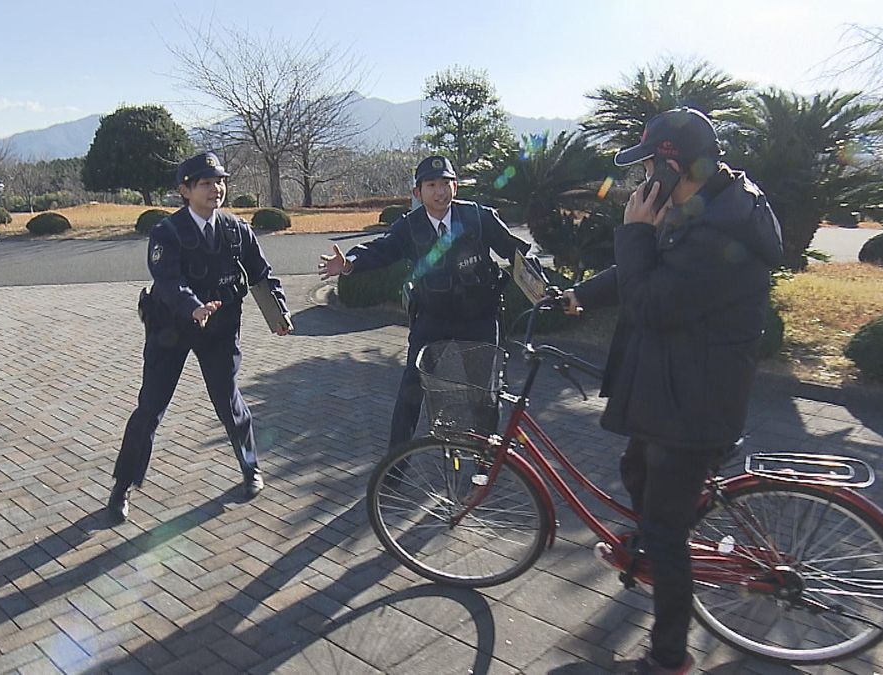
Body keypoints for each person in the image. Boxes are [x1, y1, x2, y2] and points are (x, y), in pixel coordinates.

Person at [562, 107, 782, 674]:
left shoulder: (718, 232)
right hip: (675, 389)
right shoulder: (704, 206)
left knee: (665, 535)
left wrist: (635, 232)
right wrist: (578, 296)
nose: (641, 185)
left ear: (675, 166)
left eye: (648, 171)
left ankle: (668, 658)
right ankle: (663, 534)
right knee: (636, 468)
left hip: (694, 404)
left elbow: (653, 304)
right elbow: (649, 270)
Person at [107, 151, 291, 521]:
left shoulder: (237, 230)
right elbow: (167, 280)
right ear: (185, 190)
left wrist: (279, 312)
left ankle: (251, 466)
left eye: (220, 181)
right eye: (206, 183)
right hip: (171, 330)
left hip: (219, 331)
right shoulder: (166, 231)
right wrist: (192, 305)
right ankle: (122, 486)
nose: (216, 189)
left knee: (229, 402)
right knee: (150, 409)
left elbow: (260, 274)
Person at [318, 155, 534, 451]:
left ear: (455, 186)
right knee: (411, 391)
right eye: (431, 185)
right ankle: (394, 466)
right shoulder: (409, 226)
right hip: (432, 319)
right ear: (418, 193)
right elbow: (381, 249)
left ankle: (485, 462)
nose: (440, 191)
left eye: (445, 183)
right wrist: (348, 263)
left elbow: (515, 253)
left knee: (484, 393)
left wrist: (540, 287)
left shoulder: (478, 217)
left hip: (479, 317)